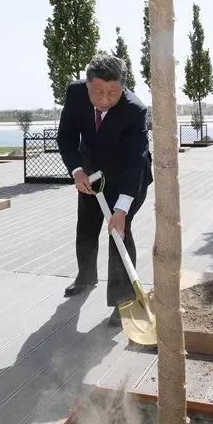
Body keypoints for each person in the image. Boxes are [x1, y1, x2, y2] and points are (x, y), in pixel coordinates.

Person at [56, 54, 153, 327]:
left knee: (119, 232)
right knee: (86, 225)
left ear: (123, 87)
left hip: (127, 179)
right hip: (89, 173)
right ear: (87, 85)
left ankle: (123, 300)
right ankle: (85, 277)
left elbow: (136, 162)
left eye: (113, 92)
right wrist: (77, 171)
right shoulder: (75, 94)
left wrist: (121, 209)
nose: (105, 98)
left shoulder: (135, 110)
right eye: (98, 91)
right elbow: (65, 137)